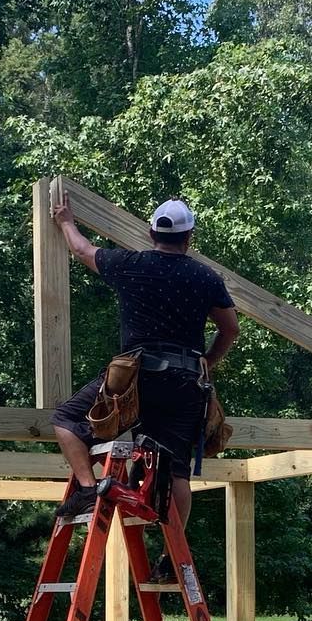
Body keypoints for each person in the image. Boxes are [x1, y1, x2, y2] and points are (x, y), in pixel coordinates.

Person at [49, 195, 240, 540]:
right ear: (189, 237)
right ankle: (172, 558)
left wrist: (65, 221)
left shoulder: (130, 264)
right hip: (185, 384)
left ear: (151, 232)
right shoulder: (205, 277)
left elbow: (82, 250)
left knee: (66, 420)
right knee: (176, 470)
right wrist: (207, 363)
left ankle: (89, 489)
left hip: (135, 378)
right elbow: (230, 329)